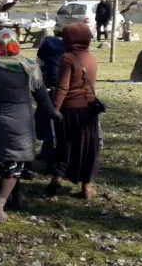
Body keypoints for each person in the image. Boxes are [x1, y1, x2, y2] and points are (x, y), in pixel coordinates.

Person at [0, 29, 62, 221]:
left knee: (9, 162)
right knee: (14, 163)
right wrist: (53, 113)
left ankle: (15, 198)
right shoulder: (29, 66)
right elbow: (42, 96)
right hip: (22, 124)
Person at [46, 23, 101, 199]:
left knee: (65, 145)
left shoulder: (67, 58)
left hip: (70, 109)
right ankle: (87, 186)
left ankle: (57, 180)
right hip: (89, 109)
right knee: (88, 147)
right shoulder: (91, 58)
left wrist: (54, 108)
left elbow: (62, 86)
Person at [36, 36, 67, 173]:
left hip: (50, 93)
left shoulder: (46, 56)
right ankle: (45, 154)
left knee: (50, 128)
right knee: (49, 126)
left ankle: (49, 159)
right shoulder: (60, 55)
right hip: (56, 92)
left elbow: (40, 73)